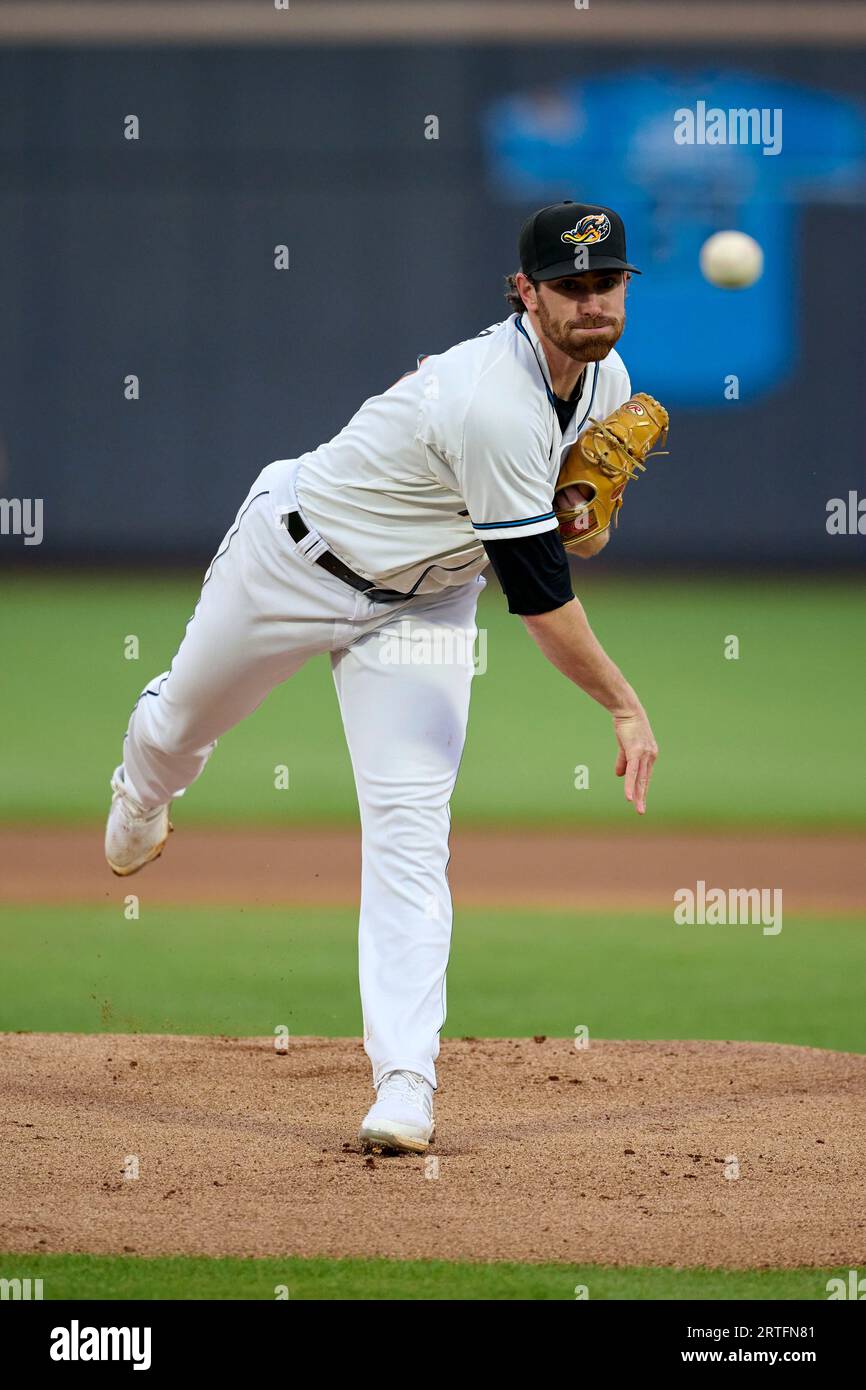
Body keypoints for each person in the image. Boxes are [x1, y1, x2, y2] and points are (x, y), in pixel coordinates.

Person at [105, 200, 658, 1154]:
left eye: (605, 282)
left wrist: (582, 510)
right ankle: (140, 791)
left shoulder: (609, 386)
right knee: (179, 727)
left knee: (410, 826)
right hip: (292, 561)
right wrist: (623, 702)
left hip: (426, 604)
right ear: (526, 294)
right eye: (567, 287)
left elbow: (578, 537)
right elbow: (539, 600)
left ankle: (406, 1083)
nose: (590, 302)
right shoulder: (492, 398)